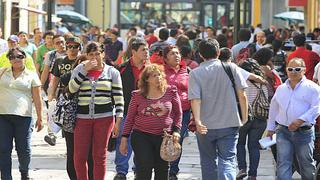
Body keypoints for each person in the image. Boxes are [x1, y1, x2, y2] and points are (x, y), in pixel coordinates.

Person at [188, 39, 248, 180]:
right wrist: (244, 117)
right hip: (229, 122)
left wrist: (198, 121)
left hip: (205, 125)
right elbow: (242, 95)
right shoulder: (231, 68)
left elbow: (195, 99)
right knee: (227, 160)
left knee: (208, 161)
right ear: (219, 52)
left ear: (200, 55)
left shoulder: (195, 73)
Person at [69, 42, 124, 180]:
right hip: (82, 119)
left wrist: (118, 121)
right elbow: (71, 89)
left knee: (100, 155)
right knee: (79, 155)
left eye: (97, 54)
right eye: (91, 54)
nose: (95, 57)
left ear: (103, 54)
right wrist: (84, 71)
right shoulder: (80, 69)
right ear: (87, 56)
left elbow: (119, 98)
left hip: (104, 119)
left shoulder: (112, 72)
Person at [119, 64, 182, 180]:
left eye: (159, 75)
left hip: (164, 137)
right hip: (141, 136)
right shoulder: (137, 95)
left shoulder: (170, 91)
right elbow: (130, 117)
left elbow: (178, 113)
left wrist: (177, 130)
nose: (158, 78)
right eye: (154, 76)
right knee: (144, 167)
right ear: (147, 79)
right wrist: (124, 138)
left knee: (162, 169)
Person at [266, 58, 320, 180]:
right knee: (283, 163)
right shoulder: (281, 89)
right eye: (290, 69)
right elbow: (274, 108)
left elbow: (317, 108)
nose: (293, 72)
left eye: (297, 69)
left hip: (304, 132)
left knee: (306, 164)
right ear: (286, 70)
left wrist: (300, 120)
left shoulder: (313, 88)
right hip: (283, 131)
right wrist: (270, 128)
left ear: (304, 70)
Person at [0, 47, 43, 180]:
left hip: (24, 117)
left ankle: (24, 172)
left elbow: (37, 97)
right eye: (12, 57)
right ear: (9, 60)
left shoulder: (31, 75)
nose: (16, 59)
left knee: (23, 149)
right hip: (3, 115)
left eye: (19, 56)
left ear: (24, 57)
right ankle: (6, 177)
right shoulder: (3, 72)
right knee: (3, 148)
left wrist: (40, 118)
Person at [113, 38, 149, 180]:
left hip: (145, 113)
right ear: (133, 52)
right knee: (123, 140)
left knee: (142, 142)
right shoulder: (121, 69)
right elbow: (115, 91)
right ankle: (121, 171)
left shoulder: (151, 69)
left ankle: (138, 170)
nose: (146, 52)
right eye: (143, 50)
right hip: (126, 111)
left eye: (147, 49)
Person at [236, 59, 269, 180]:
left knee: (240, 144)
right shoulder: (263, 82)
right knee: (254, 146)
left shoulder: (240, 80)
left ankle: (242, 168)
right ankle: (253, 175)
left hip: (244, 116)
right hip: (260, 117)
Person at [161, 45, 190, 179]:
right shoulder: (161, 71)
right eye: (172, 53)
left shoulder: (187, 71)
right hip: (165, 112)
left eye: (178, 53)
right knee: (163, 139)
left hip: (183, 112)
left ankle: (173, 170)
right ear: (165, 58)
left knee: (178, 139)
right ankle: (162, 167)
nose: (176, 56)